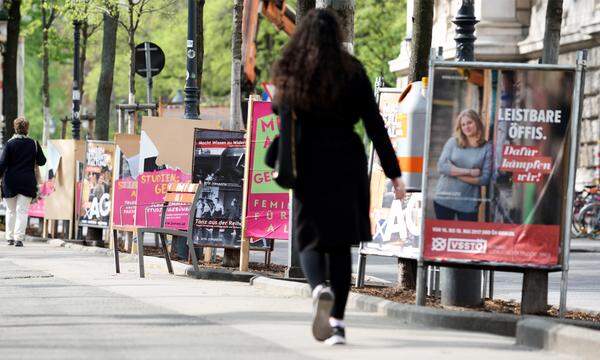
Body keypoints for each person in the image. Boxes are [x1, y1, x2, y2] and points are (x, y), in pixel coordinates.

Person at [270, 9, 405, 346]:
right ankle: (338, 324)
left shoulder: (291, 70)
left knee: (310, 237)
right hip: (347, 159)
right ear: (337, 34)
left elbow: (280, 109)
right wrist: (394, 172)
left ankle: (318, 289)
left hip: (307, 159)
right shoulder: (352, 71)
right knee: (341, 245)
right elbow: (375, 125)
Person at [434, 109, 492, 221]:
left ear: (477, 122)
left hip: (468, 204)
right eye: (463, 124)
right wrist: (469, 172)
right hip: (444, 199)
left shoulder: (486, 147)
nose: (466, 127)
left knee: (466, 237)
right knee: (443, 236)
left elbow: (484, 179)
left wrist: (453, 171)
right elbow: (441, 167)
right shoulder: (453, 142)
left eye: (469, 123)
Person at [0, 117, 47, 247]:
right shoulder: (33, 144)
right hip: (27, 181)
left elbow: (2, 164)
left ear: (15, 128)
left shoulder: (9, 144)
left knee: (10, 211)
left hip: (10, 182)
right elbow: (42, 161)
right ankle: (18, 239)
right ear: (27, 129)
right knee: (22, 211)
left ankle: (9, 237)